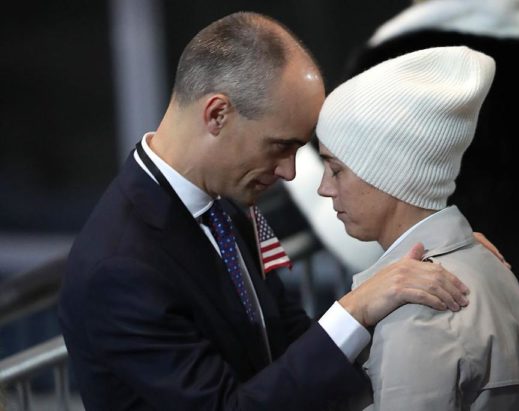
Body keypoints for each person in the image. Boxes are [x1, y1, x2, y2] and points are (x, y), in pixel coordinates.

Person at [58, 12, 473, 411]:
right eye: (280, 146)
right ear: (217, 114)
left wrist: (413, 279)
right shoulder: (118, 269)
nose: (290, 172)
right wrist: (356, 308)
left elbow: (284, 339)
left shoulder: (223, 204)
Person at [316, 46, 519, 410]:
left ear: (390, 174)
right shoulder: (484, 263)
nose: (324, 187)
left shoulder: (418, 311)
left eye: (336, 169)